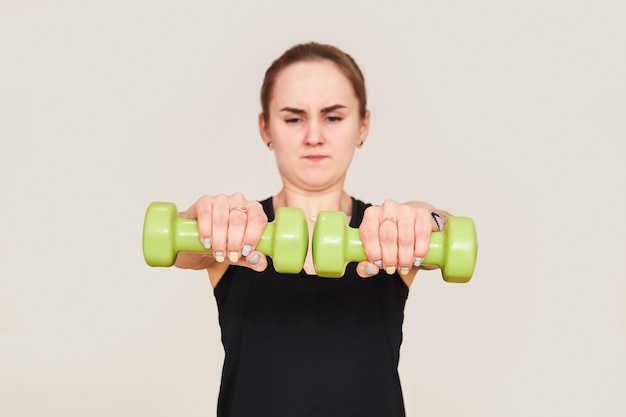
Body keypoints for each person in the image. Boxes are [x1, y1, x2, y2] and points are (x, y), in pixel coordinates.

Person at [175, 42, 451, 417]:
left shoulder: (390, 233)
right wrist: (204, 217)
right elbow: (184, 248)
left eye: (333, 117)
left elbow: (441, 227)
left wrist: (425, 219)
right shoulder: (233, 231)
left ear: (363, 125)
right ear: (265, 127)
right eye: (293, 118)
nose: (314, 136)